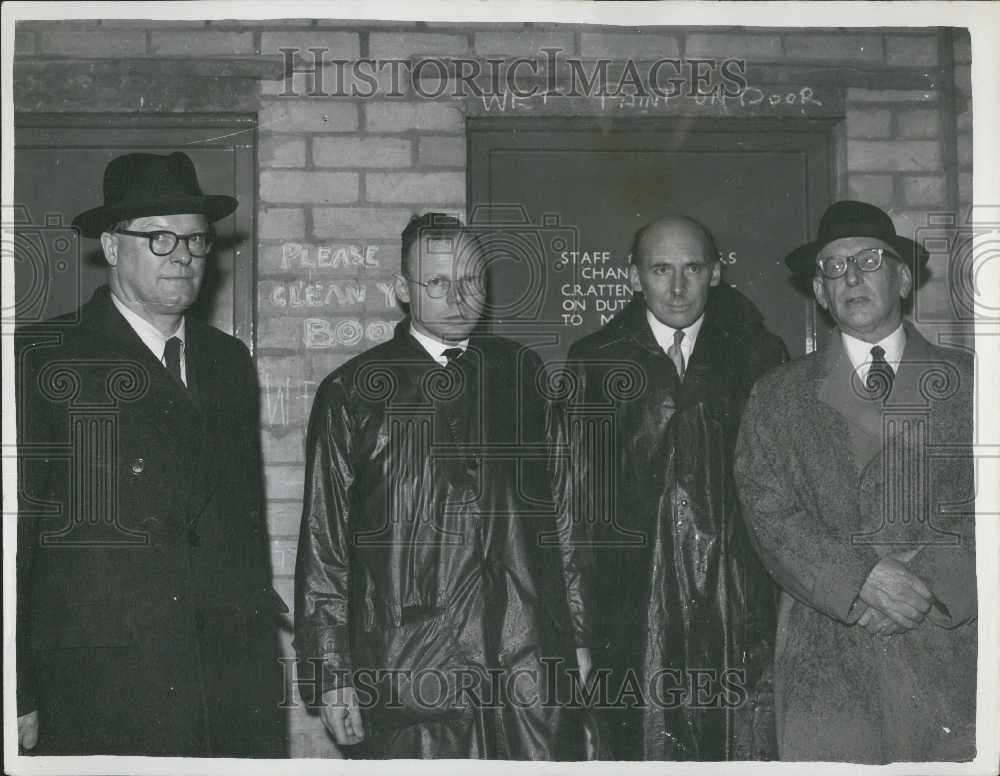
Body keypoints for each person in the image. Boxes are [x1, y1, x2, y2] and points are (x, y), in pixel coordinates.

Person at [16, 152, 285, 756]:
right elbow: (18, 538)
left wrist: (265, 665)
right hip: (102, 680)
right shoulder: (44, 357)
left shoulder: (227, 362)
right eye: (159, 238)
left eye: (195, 239)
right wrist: (17, 688)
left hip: (227, 679)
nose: (184, 255)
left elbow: (245, 526)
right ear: (112, 247)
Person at [294, 213, 576, 759]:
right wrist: (332, 672)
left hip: (528, 658)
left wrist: (581, 639)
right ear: (403, 290)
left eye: (472, 281)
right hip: (413, 666)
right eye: (439, 283)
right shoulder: (353, 393)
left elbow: (564, 516)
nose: (459, 297)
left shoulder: (522, 377)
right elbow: (324, 547)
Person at [734, 200, 976, 762]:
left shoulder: (972, 384)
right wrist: (859, 578)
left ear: (904, 277)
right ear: (820, 293)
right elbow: (767, 512)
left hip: (946, 650)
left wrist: (928, 590)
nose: (851, 276)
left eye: (870, 259)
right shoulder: (777, 394)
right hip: (827, 661)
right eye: (834, 267)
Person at [554, 214, 787, 760]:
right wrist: (580, 634)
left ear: (716, 274)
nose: (678, 287)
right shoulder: (595, 361)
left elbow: (783, 496)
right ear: (634, 277)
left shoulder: (759, 356)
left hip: (738, 613)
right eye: (661, 269)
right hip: (632, 613)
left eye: (692, 268)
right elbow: (573, 507)